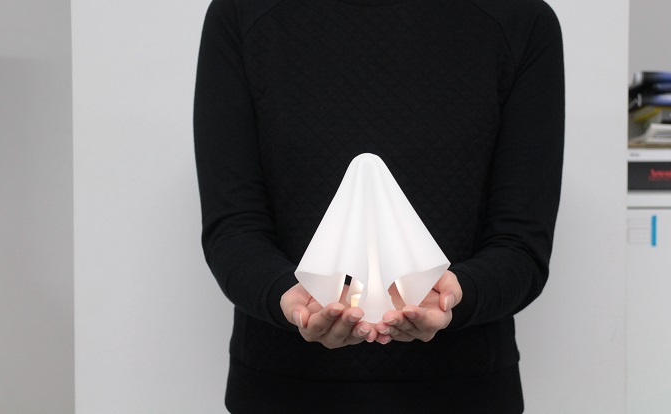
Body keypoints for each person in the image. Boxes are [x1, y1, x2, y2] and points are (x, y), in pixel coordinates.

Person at [193, 0, 564, 412]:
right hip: (282, 388)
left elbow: (521, 244)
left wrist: (455, 295)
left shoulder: (519, 20)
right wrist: (288, 296)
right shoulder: (244, 14)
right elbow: (234, 228)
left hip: (464, 390)